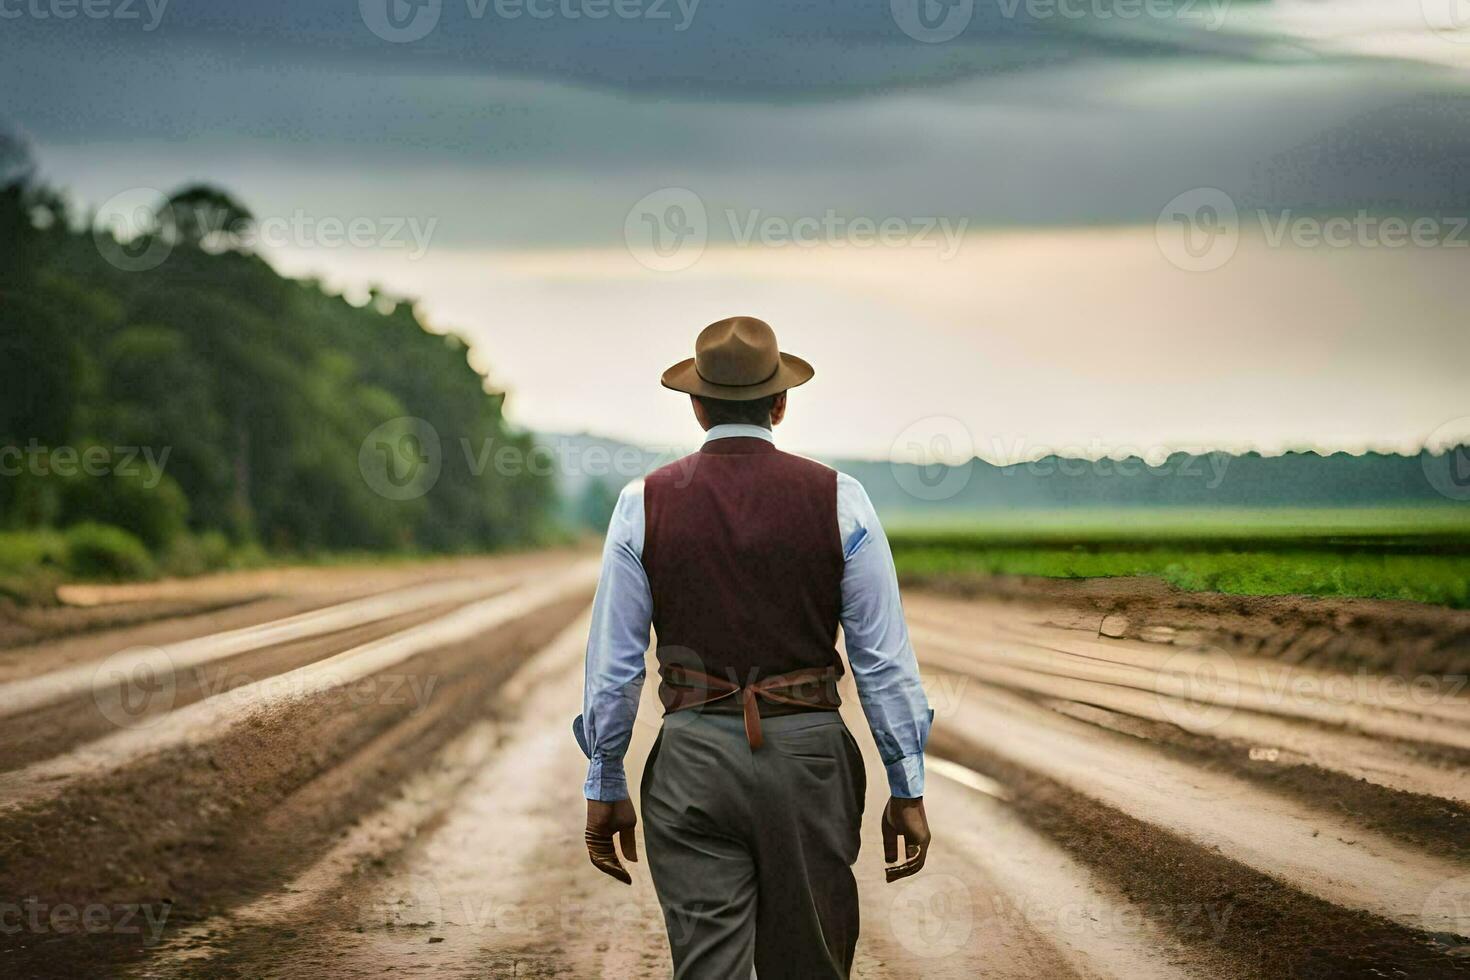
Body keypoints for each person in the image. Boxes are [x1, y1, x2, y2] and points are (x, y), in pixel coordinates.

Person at [573, 315, 933, 979]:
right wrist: (906, 785)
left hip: (692, 761)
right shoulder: (841, 500)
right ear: (781, 402)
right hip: (809, 760)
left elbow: (614, 670)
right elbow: (882, 663)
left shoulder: (642, 503)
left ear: (695, 404)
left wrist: (605, 778)